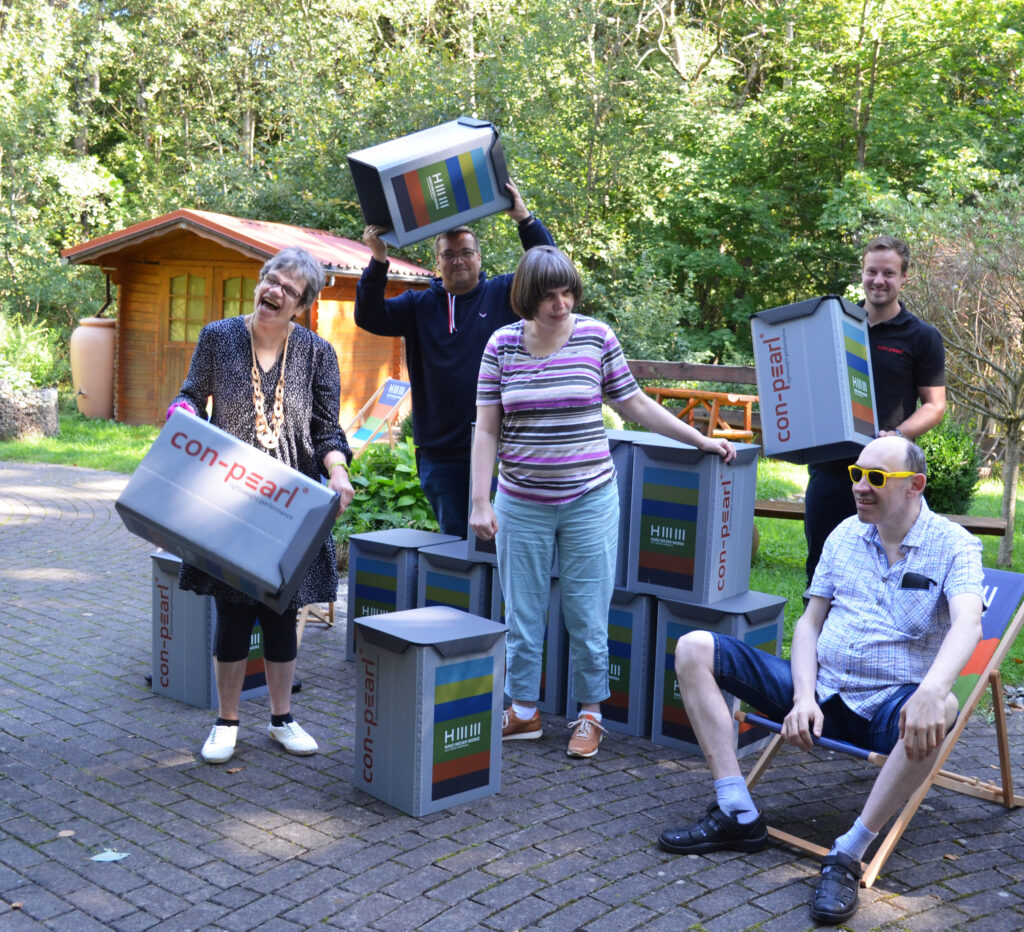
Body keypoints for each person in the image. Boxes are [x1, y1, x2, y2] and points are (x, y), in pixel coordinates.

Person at [660, 436, 983, 925]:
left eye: (876, 478)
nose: (861, 487)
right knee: (694, 647)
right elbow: (810, 624)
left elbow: (967, 624)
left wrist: (933, 691)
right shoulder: (844, 535)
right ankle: (736, 811)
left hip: (884, 710)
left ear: (915, 485)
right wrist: (804, 696)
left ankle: (849, 853)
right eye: (857, 474)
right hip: (815, 693)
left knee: (940, 709)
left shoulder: (955, 546)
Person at [470, 246, 736, 759]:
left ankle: (590, 713)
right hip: (521, 501)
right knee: (522, 611)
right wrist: (482, 501)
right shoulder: (500, 346)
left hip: (589, 498)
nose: (561, 304)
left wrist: (698, 440)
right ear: (527, 296)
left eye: (568, 292)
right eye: (549, 296)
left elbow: (633, 402)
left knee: (587, 613)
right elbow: (486, 429)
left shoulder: (596, 337)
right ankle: (523, 710)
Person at [168, 247, 355, 765]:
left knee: (281, 611)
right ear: (261, 281)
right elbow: (190, 395)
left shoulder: (318, 353)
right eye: (272, 279)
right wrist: (180, 413)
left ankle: (281, 719)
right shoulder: (218, 337)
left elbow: (327, 430)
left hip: (290, 502)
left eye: (289, 289)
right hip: (229, 497)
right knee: (231, 612)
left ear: (302, 304)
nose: (275, 291)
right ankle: (226, 723)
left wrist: (337, 472)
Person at [355, 182, 554, 536]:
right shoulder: (418, 306)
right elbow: (369, 316)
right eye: (449, 254)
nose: (458, 260)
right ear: (438, 262)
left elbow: (549, 269)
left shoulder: (504, 295)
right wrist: (378, 259)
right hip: (441, 454)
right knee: (460, 551)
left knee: (511, 544)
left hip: (505, 449)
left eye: (465, 252)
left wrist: (524, 218)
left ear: (479, 258)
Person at [804, 236, 946, 584]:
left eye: (888, 273)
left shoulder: (921, 337)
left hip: (888, 478)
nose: (878, 280)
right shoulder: (835, 325)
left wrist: (898, 436)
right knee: (822, 572)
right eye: (872, 271)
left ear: (904, 278)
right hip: (832, 468)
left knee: (885, 571)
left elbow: (935, 405)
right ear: (862, 273)